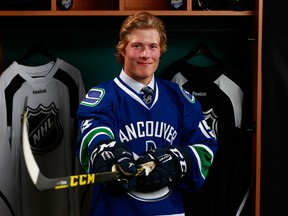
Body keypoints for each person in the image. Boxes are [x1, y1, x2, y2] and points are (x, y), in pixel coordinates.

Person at [76, 11, 218, 216]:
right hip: (115, 211)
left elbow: (206, 147)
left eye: (153, 47)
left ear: (160, 51)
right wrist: (106, 153)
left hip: (169, 212)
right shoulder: (103, 96)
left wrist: (179, 160)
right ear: (123, 49)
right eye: (137, 46)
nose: (146, 54)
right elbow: (94, 132)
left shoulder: (179, 97)